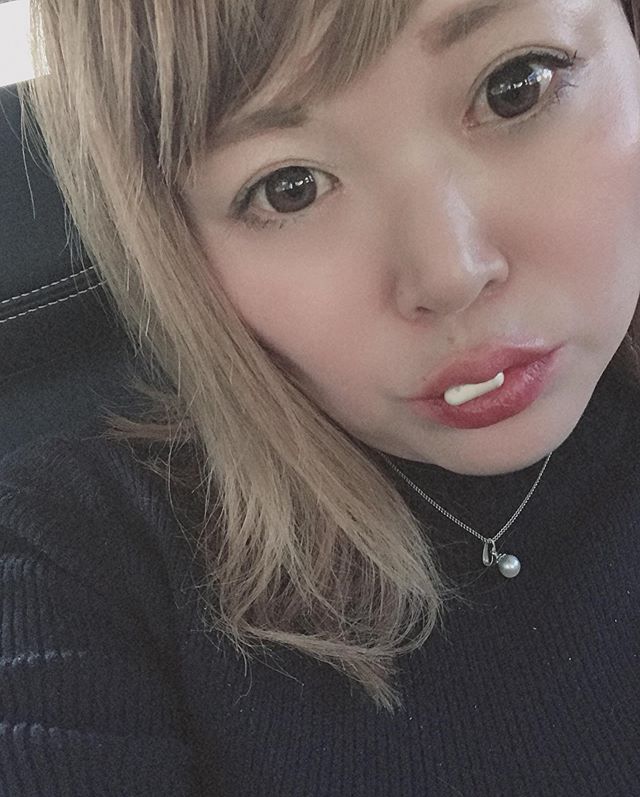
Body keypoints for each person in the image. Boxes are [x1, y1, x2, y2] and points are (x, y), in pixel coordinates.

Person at [1, 0, 639, 794]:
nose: (449, 271)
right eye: (290, 188)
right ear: (175, 246)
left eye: (517, 85)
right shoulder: (77, 562)